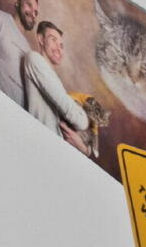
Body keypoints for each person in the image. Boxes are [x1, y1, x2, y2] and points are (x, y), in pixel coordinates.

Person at [23, 22, 99, 155]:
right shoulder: (34, 59)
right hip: (41, 148)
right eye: (53, 40)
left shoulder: (53, 78)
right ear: (41, 39)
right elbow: (80, 121)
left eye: (62, 45)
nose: (59, 48)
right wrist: (84, 117)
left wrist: (85, 150)